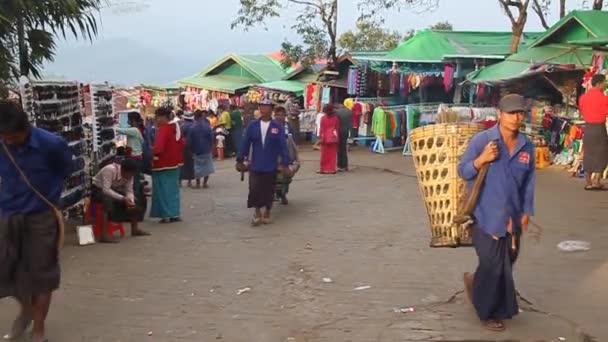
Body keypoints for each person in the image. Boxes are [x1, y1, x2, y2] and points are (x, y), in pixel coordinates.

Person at [458, 94, 535, 332]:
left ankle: (474, 283)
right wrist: (481, 160)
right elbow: (463, 170)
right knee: (492, 264)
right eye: (511, 112)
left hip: (512, 217)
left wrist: (526, 211)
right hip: (483, 215)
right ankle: (487, 312)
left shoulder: (526, 146)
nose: (516, 118)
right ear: (499, 114)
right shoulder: (483, 140)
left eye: (520, 113)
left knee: (507, 261)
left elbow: (529, 181)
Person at [0, 101, 73, 342]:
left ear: (25, 128)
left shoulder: (51, 144)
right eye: (3, 136)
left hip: (41, 215)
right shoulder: (2, 141)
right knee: (6, 272)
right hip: (8, 214)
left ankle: (39, 328)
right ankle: (26, 311)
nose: (7, 141)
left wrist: (48, 196)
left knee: (42, 276)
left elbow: (65, 170)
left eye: (11, 136)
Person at [236, 99, 290, 226]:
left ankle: (267, 211)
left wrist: (285, 163)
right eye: (262, 107)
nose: (264, 109)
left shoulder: (277, 127)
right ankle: (257, 211)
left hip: (270, 165)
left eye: (266, 107)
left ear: (271, 110)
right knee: (254, 189)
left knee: (268, 190)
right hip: (255, 164)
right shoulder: (252, 126)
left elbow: (283, 146)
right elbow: (245, 143)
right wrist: (240, 159)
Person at [91, 158, 150, 242]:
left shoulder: (130, 176)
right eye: (129, 174)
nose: (130, 177)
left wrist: (131, 201)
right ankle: (103, 235)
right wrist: (123, 198)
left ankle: (135, 229)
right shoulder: (109, 170)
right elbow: (106, 190)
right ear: (123, 171)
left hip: (113, 189)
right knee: (107, 200)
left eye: (132, 175)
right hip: (98, 190)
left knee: (135, 200)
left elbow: (129, 190)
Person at [150, 107, 184, 224]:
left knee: (163, 190)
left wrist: (151, 151)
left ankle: (166, 215)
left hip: (163, 164)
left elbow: (159, 148)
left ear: (162, 117)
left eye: (157, 117)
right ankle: (175, 213)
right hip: (175, 164)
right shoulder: (176, 128)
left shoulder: (163, 129)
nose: (156, 120)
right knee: (173, 190)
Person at [578, 74, 608, 190]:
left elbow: (582, 110)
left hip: (588, 128)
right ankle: (597, 181)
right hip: (599, 128)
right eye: (604, 82)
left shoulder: (583, 98)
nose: (605, 84)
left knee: (589, 154)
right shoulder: (604, 98)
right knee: (602, 154)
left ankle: (588, 182)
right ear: (599, 83)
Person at [274, 106, 300, 205]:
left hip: (286, 155)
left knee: (286, 177)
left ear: (285, 116)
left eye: (281, 115)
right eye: (277, 115)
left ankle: (283, 194)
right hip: (273, 155)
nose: (279, 117)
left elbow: (293, 140)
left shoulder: (288, 127)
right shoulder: (271, 126)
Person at [115, 111, 145, 195]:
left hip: (134, 158)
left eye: (129, 119)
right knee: (135, 180)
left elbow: (120, 130)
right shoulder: (137, 129)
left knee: (133, 181)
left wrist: (112, 126)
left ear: (133, 120)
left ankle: (135, 198)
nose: (127, 121)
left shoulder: (134, 130)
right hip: (136, 158)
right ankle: (136, 197)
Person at [188, 110, 215, 189]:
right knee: (207, 166)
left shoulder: (192, 127)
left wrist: (191, 150)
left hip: (196, 149)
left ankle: (198, 184)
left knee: (197, 167)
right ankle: (205, 183)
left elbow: (189, 141)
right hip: (207, 148)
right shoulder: (207, 125)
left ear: (195, 117)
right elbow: (211, 138)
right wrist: (211, 146)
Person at [319, 104, 340, 174]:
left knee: (324, 155)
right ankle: (331, 169)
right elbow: (337, 129)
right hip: (333, 138)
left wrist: (321, 137)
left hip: (324, 138)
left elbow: (321, 129)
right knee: (332, 155)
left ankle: (323, 169)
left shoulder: (323, 118)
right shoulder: (336, 118)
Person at [179, 112, 196, 187]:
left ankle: (179, 181)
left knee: (181, 164)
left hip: (182, 146)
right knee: (190, 164)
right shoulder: (193, 125)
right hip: (191, 146)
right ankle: (189, 181)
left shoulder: (181, 126)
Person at [336, 104, 353, 172]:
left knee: (339, 149)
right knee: (344, 148)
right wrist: (351, 134)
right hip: (346, 131)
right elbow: (350, 124)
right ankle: (345, 166)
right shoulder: (349, 111)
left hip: (338, 131)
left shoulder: (337, 112)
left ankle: (340, 165)